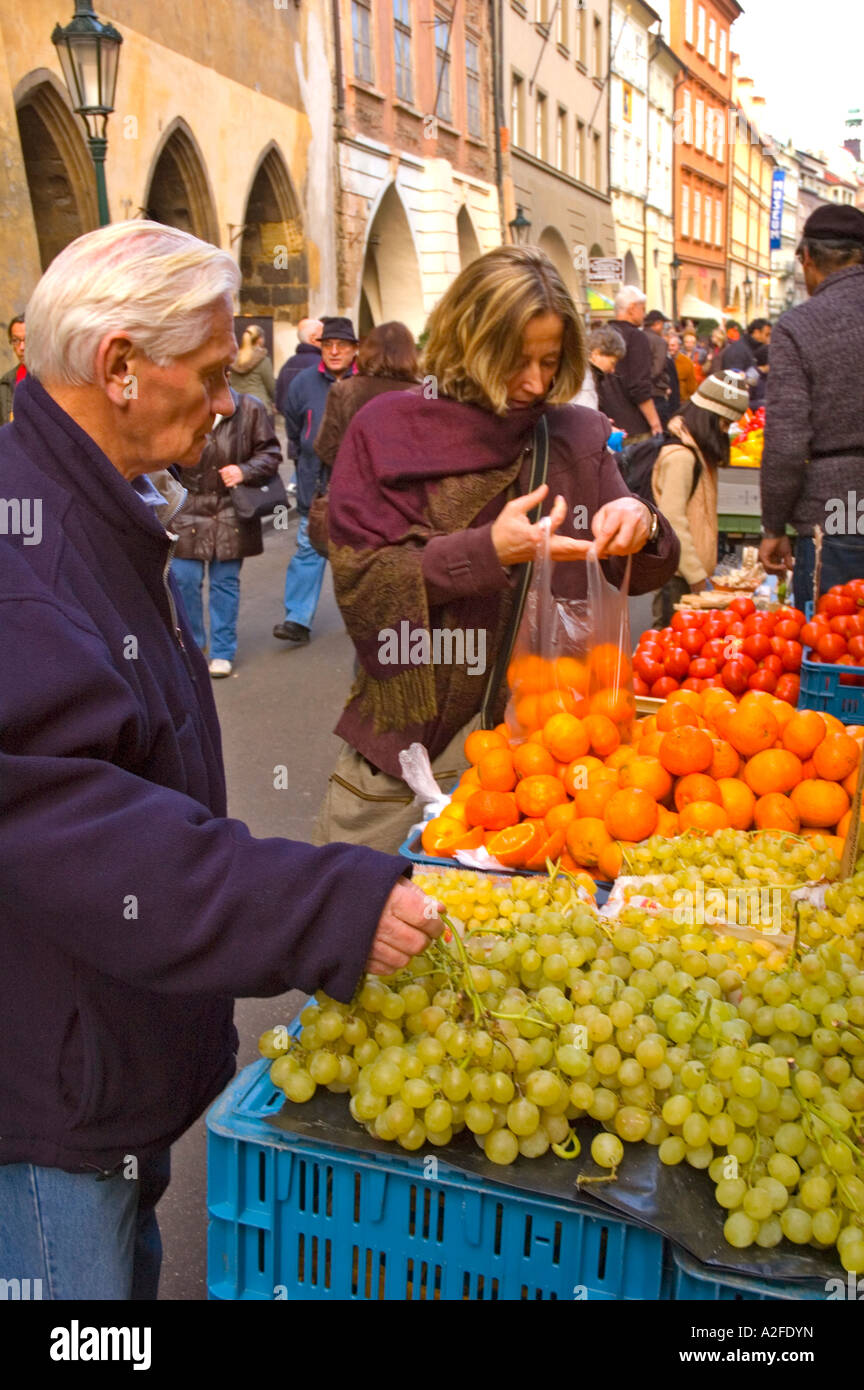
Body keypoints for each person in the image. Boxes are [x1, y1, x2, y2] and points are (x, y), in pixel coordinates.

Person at [0, 221, 443, 1301]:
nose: (223, 397)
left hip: (107, 1041)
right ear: (117, 368)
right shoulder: (28, 552)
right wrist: (319, 906)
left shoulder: (87, 503)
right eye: (206, 375)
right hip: (53, 1083)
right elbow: (82, 832)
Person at [315, 246, 680, 853]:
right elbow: (363, 583)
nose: (535, 383)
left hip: (549, 760)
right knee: (375, 935)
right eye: (514, 361)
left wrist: (641, 519)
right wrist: (486, 551)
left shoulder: (574, 436)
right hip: (411, 756)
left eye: (549, 361)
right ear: (468, 340)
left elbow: (639, 569)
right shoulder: (387, 431)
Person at [759, 204, 864, 609]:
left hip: (837, 515)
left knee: (834, 654)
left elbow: (786, 443)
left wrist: (772, 526)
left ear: (807, 258)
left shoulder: (799, 326)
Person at [171, 388, 282, 678]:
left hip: (233, 506)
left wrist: (245, 470)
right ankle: (194, 647)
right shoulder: (180, 403)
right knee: (183, 579)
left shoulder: (250, 408)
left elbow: (271, 454)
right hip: (188, 504)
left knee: (225, 582)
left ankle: (222, 651)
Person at [273, 316, 358, 645]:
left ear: (354, 350)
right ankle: (297, 619)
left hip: (355, 486)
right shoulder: (303, 382)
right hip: (315, 481)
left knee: (353, 554)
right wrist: (303, 457)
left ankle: (360, 617)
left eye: (342, 346)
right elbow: (293, 427)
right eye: (328, 345)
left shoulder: (363, 383)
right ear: (319, 347)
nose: (334, 351)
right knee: (308, 548)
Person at [649, 371, 750, 627]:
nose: (726, 432)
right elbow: (673, 521)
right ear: (709, 417)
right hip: (678, 576)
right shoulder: (681, 457)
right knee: (671, 646)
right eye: (725, 423)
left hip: (689, 573)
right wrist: (695, 574)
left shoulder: (699, 453)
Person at [314, 320, 420, 469]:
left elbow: (325, 447)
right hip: (407, 485)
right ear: (410, 353)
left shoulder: (344, 389)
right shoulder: (424, 393)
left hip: (356, 485)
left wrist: (355, 467)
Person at [597, 287, 663, 441]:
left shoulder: (600, 335)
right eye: (642, 309)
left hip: (606, 423)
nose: (644, 314)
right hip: (634, 427)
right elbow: (639, 386)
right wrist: (655, 424)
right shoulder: (636, 337)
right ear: (632, 308)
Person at [571, 324, 626, 411]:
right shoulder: (585, 380)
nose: (613, 370)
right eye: (612, 363)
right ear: (596, 354)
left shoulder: (582, 374)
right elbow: (586, 414)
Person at [275, 317, 324, 415]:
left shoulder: (288, 364)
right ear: (313, 339)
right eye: (323, 336)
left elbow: (280, 402)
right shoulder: (321, 364)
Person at [229, 323, 276, 417]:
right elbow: (270, 385)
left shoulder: (233, 358)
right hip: (258, 405)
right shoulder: (263, 359)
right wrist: (274, 400)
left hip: (236, 404)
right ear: (259, 339)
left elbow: (230, 381)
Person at [643, 309, 675, 427]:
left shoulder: (639, 336)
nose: (663, 327)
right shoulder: (659, 342)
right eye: (662, 324)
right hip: (656, 391)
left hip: (640, 392)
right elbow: (657, 368)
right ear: (656, 324)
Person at [1, 314, 26, 424]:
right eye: (16, 340)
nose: (22, 347)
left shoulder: (56, 379)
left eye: (27, 339)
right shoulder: (6, 382)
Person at [745, 317, 772, 408]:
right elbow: (746, 400)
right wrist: (765, 403)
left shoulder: (768, 376)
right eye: (767, 334)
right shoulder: (752, 375)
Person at [667, 331, 697, 404]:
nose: (670, 348)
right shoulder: (661, 360)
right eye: (668, 345)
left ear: (679, 346)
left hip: (680, 402)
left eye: (673, 345)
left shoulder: (687, 362)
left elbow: (691, 386)